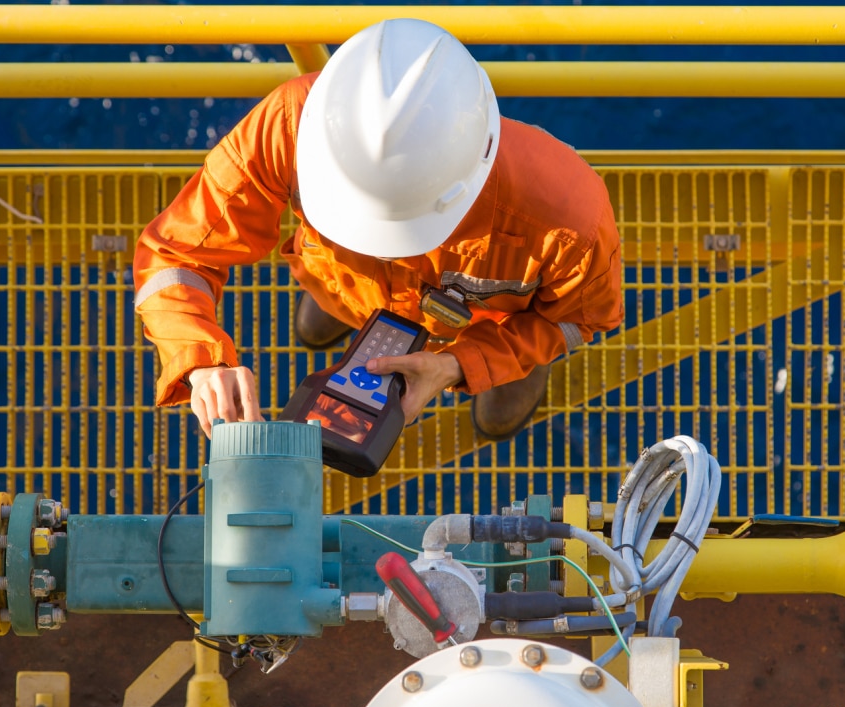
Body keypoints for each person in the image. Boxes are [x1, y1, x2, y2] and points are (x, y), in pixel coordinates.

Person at [133, 18, 622, 442]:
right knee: (320, 318)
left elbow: (578, 320)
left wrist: (460, 364)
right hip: (339, 284)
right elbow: (175, 255)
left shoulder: (568, 218)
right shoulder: (289, 123)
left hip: (485, 328)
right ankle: (341, 312)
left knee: (499, 403)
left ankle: (498, 372)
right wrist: (199, 360)